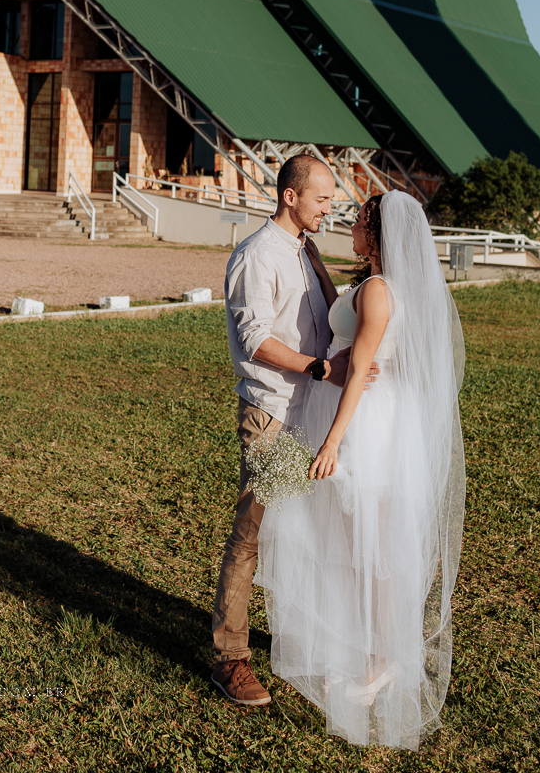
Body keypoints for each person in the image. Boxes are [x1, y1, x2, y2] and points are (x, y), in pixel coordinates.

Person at [257, 190, 466, 750]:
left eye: (356, 221)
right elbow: (347, 316)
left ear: (376, 235)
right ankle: (369, 650)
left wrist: (333, 442)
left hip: (366, 425)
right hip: (383, 417)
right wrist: (321, 267)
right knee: (360, 544)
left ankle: (383, 660)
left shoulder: (378, 291)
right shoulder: (383, 287)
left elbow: (359, 370)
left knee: (370, 548)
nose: (348, 226)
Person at [211, 154, 380, 707]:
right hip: (273, 414)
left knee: (307, 535)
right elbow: (255, 338)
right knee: (253, 534)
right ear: (291, 196)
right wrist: (319, 368)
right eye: (323, 199)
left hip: (311, 412)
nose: (331, 209)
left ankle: (304, 638)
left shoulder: (305, 252)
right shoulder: (257, 256)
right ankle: (230, 659)